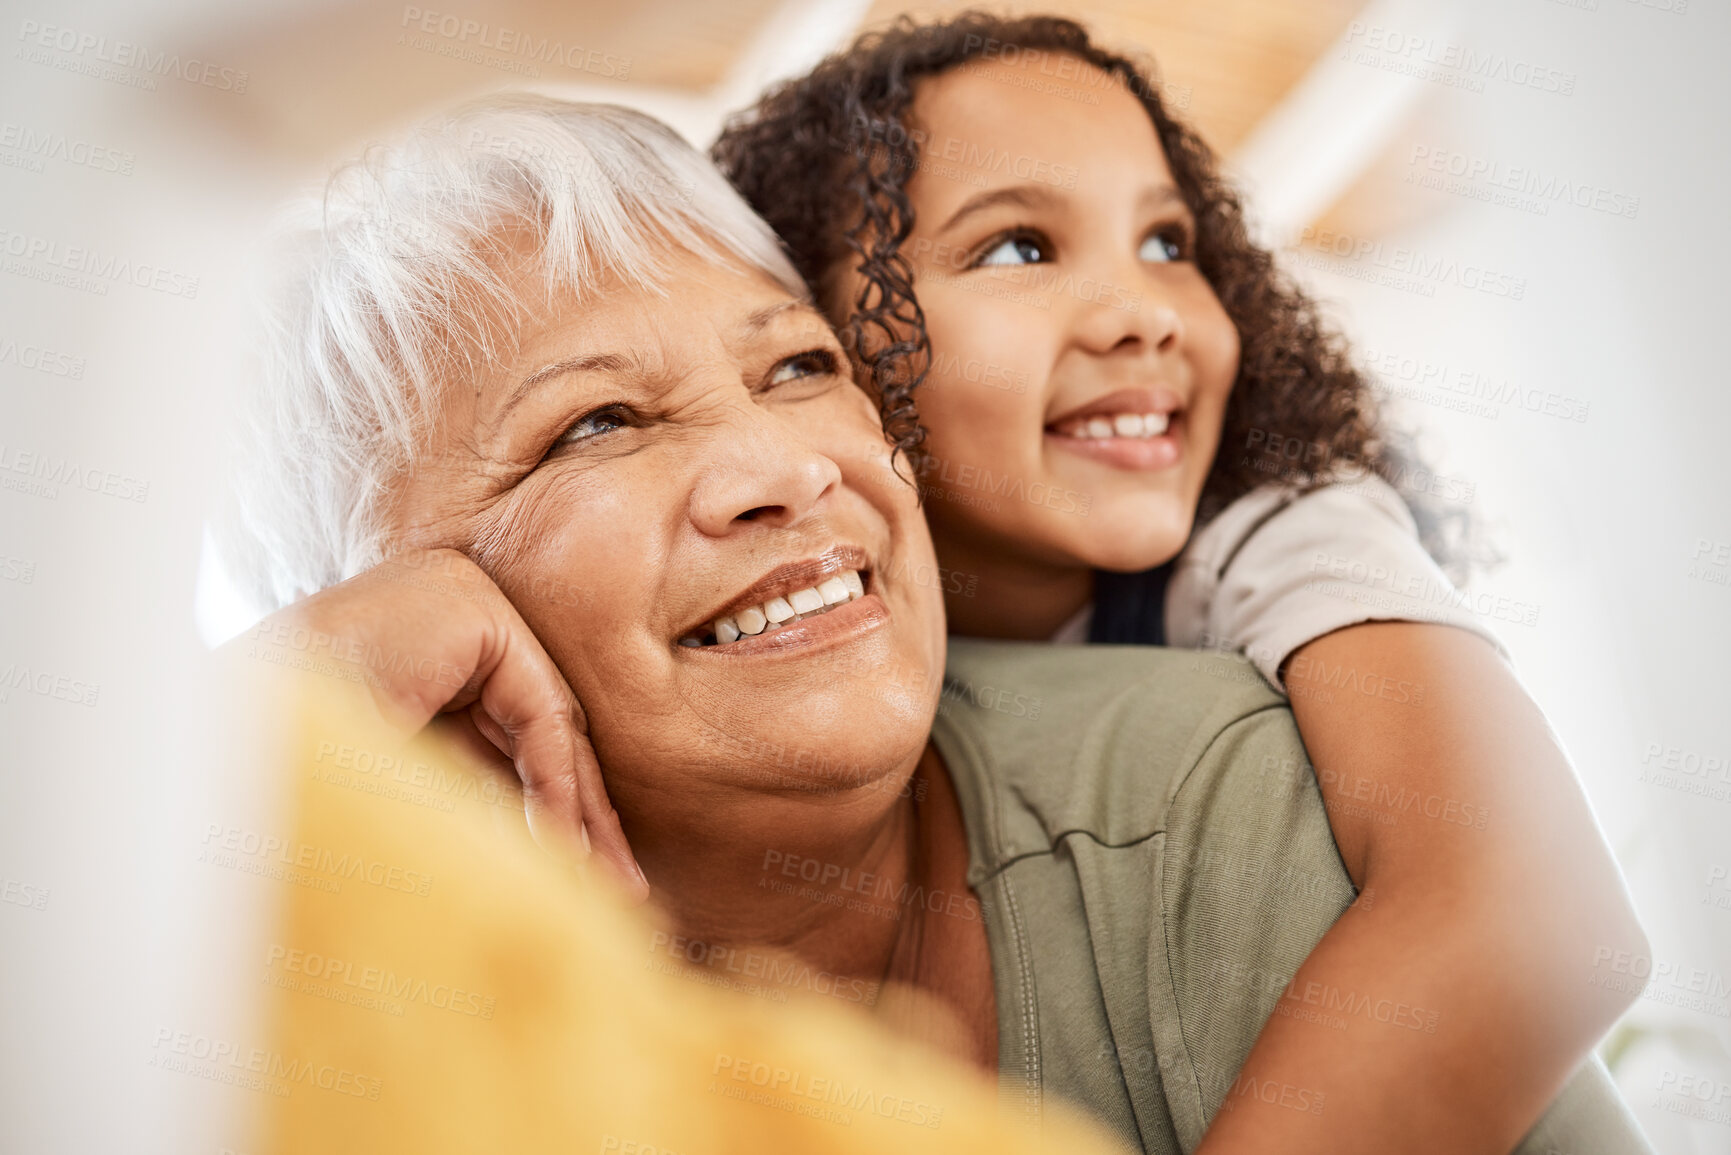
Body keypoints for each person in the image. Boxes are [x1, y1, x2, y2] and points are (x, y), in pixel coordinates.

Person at [225, 94, 1649, 1153]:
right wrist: (281, 700)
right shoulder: (322, 990)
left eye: (795, 366)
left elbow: (1528, 914)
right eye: (596, 421)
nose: (791, 467)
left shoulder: (1229, 788)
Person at [712, 14, 1648, 1153]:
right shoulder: (801, 626)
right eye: (1018, 248)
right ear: (814, 348)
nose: (1145, 310)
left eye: (1169, 243)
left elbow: (1536, 916)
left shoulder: (1282, 534)